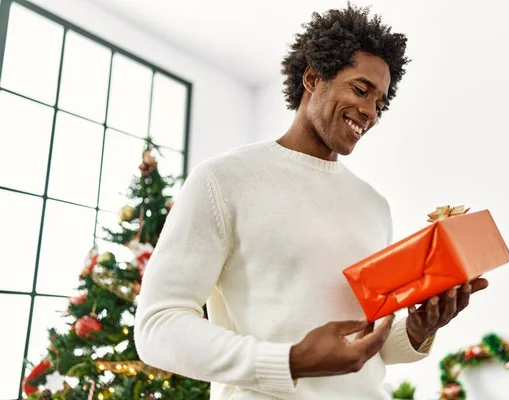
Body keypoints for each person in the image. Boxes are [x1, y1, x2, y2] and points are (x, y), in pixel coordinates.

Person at [134, 4, 488, 399]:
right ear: (312, 77)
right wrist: (291, 360)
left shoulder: (374, 205)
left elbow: (367, 343)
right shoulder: (222, 180)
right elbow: (157, 327)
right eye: (360, 89)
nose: (370, 112)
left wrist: (420, 329)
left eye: (381, 103)